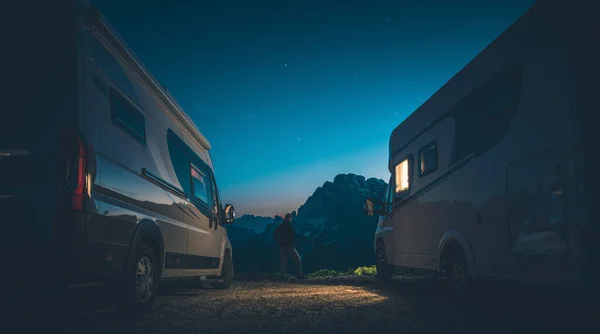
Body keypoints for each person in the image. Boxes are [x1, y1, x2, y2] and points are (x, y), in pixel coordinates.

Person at [273, 213, 303, 279]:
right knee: (298, 259)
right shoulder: (290, 226)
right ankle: (300, 275)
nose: (291, 219)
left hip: (282, 246)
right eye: (290, 218)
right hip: (290, 246)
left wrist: (278, 241)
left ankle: (282, 276)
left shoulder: (281, 226)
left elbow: (275, 233)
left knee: (283, 262)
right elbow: (294, 234)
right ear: (288, 218)